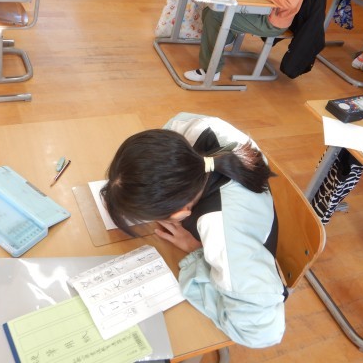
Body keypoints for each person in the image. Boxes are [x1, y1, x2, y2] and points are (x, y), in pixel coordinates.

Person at [100, 112, 287, 348]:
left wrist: (197, 254)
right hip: (244, 230)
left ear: (180, 213)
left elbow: (263, 332)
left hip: (247, 268)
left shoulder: (222, 233)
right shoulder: (189, 129)